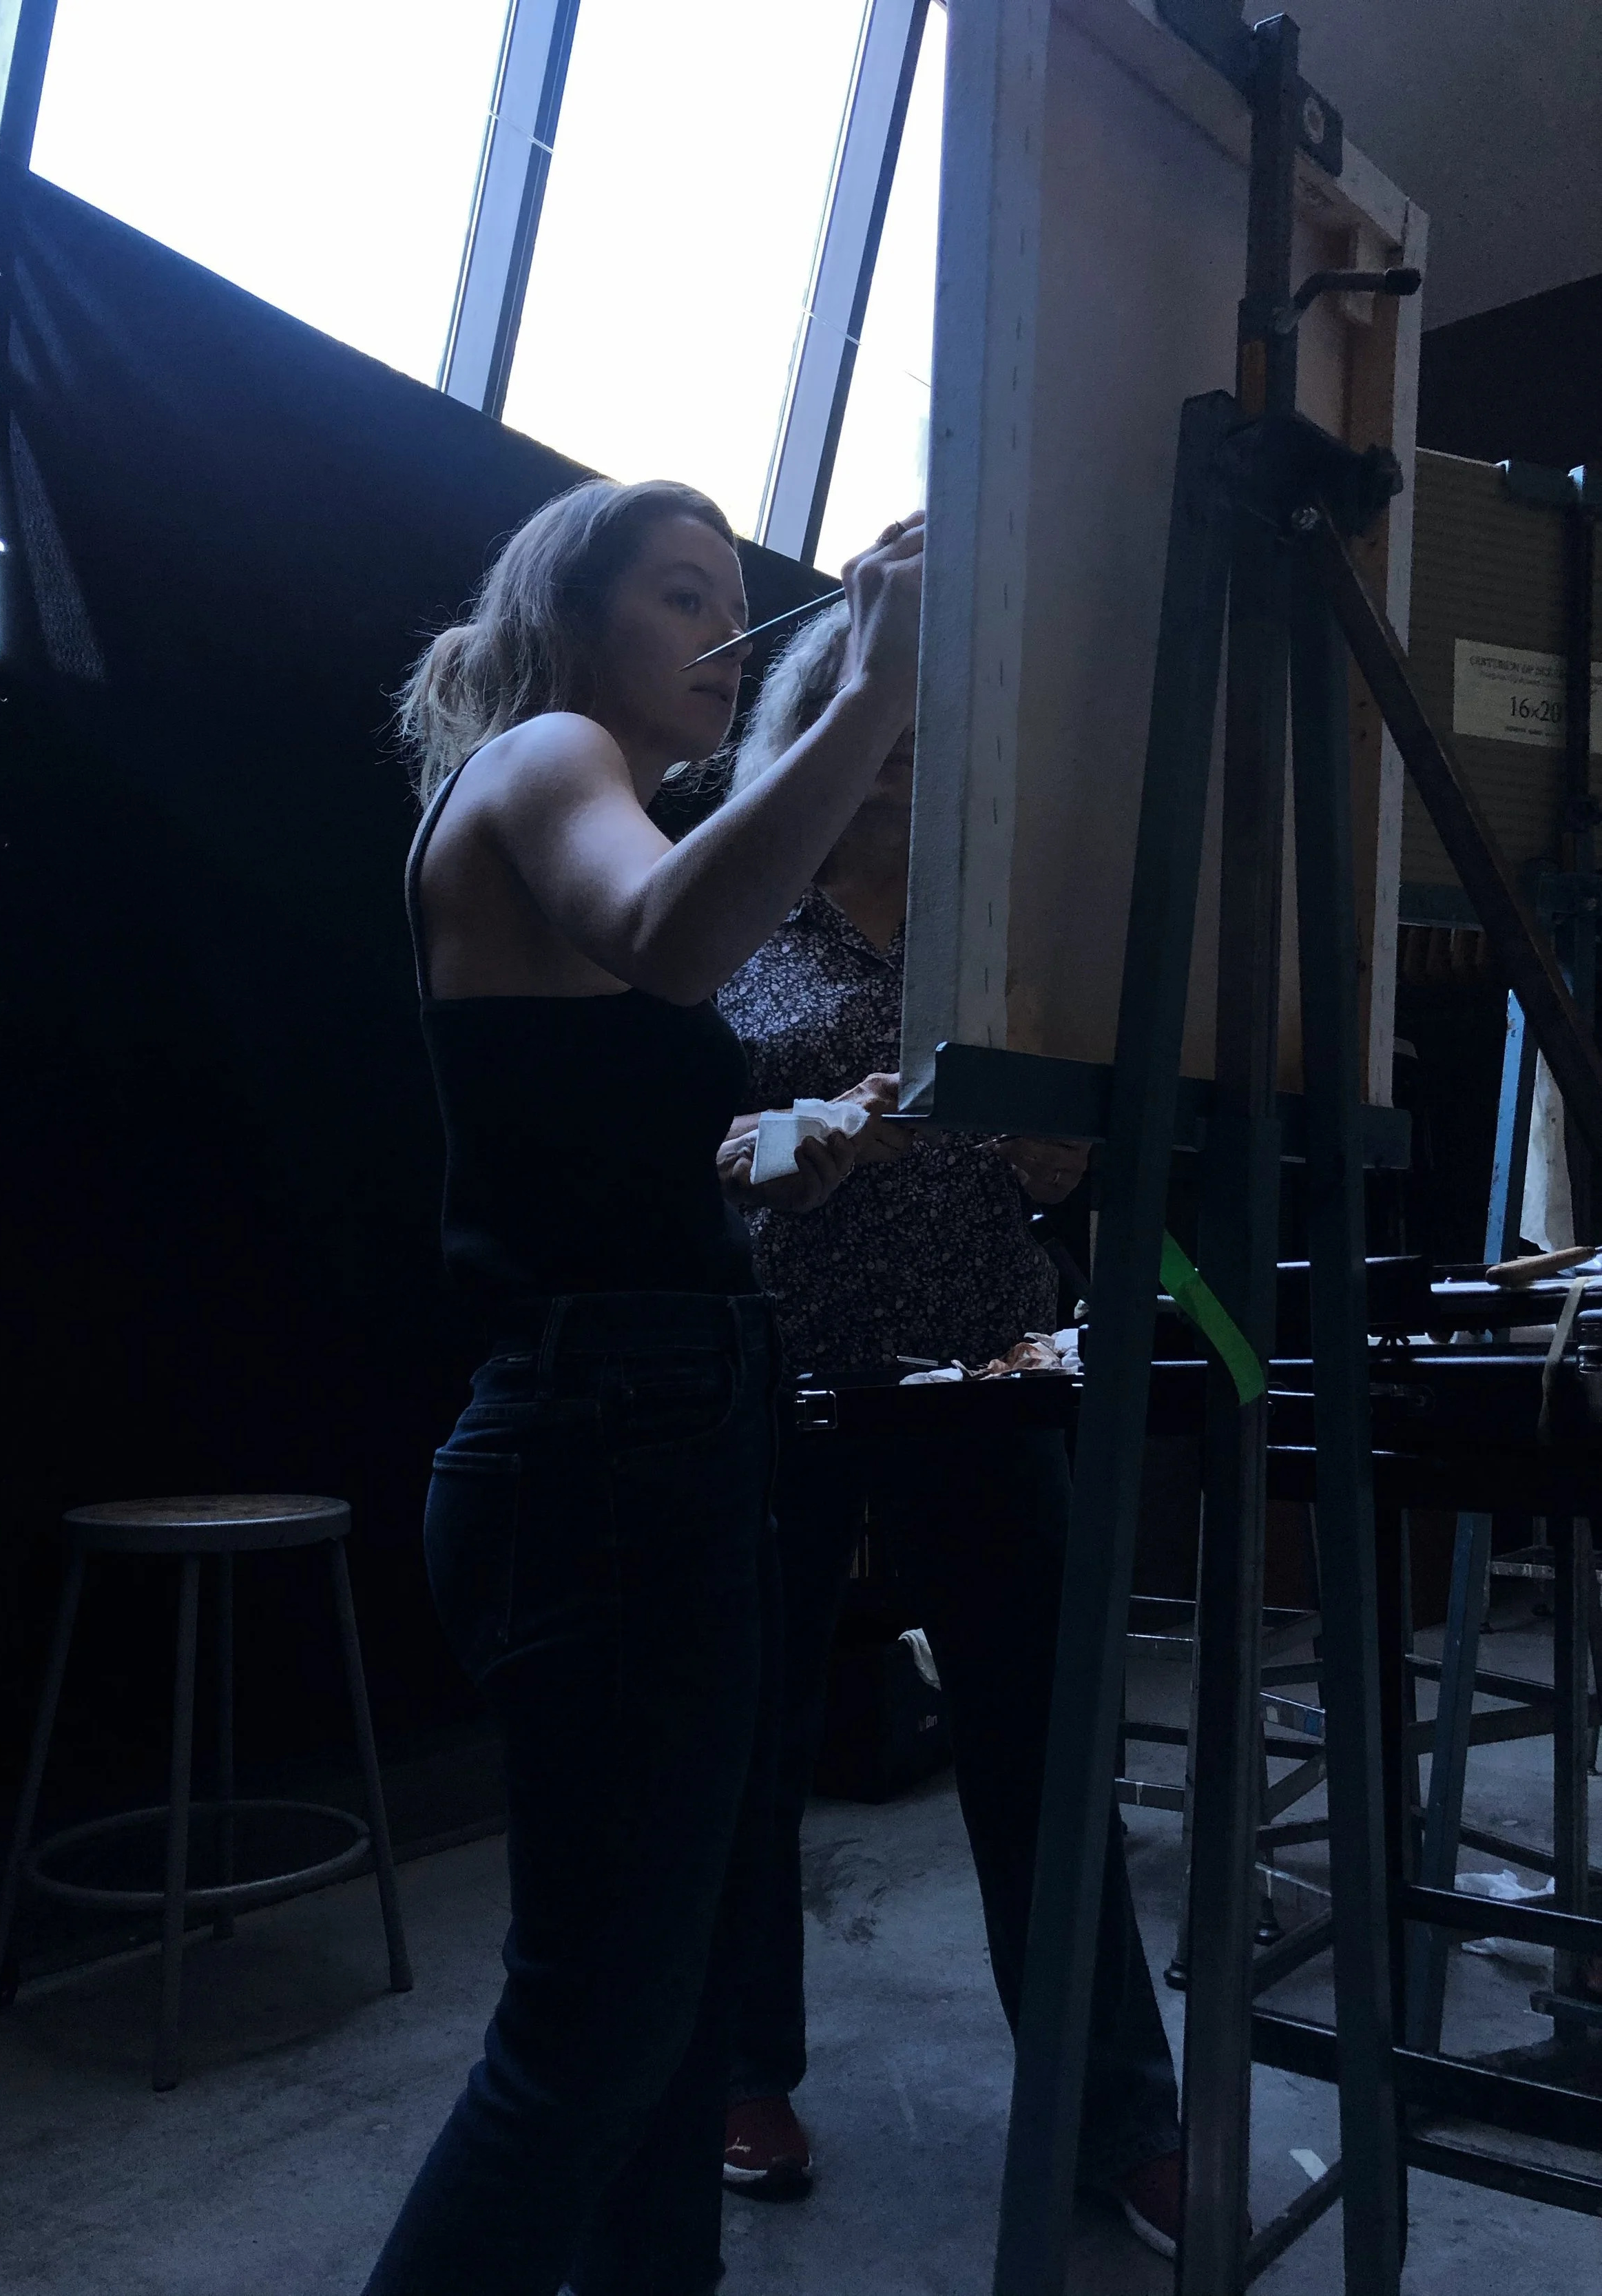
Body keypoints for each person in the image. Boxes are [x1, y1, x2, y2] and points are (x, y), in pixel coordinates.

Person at [361, 480, 923, 2296]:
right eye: (682, 593)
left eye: (733, 593)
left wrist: (775, 1168)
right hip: (603, 1439)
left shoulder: (589, 798)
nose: (725, 630)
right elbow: (679, 939)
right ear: (572, 619)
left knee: (662, 2015)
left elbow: (604, 1141)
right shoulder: (545, 755)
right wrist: (872, 691)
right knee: (591, 2034)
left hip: (650, 1418)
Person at [713, 602, 1186, 2260]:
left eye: (936, 714)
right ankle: (738, 2069)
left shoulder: (1000, 921)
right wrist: (791, 1137)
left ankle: (1116, 2112)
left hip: (985, 1364)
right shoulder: (728, 901)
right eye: (882, 704)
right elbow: (672, 1142)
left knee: (1041, 1747)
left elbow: (1072, 1127)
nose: (909, 740)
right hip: (773, 1368)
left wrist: (1069, 1159)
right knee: (747, 1742)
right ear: (814, 715)